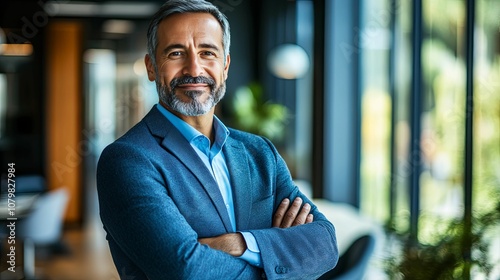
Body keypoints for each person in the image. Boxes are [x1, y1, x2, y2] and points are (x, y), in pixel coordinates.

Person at [96, 0, 338, 279]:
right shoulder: (128, 159)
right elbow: (185, 270)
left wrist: (239, 243)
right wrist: (278, 255)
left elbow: (326, 245)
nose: (193, 69)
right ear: (151, 67)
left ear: (225, 65)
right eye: (176, 53)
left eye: (207, 52)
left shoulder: (259, 152)